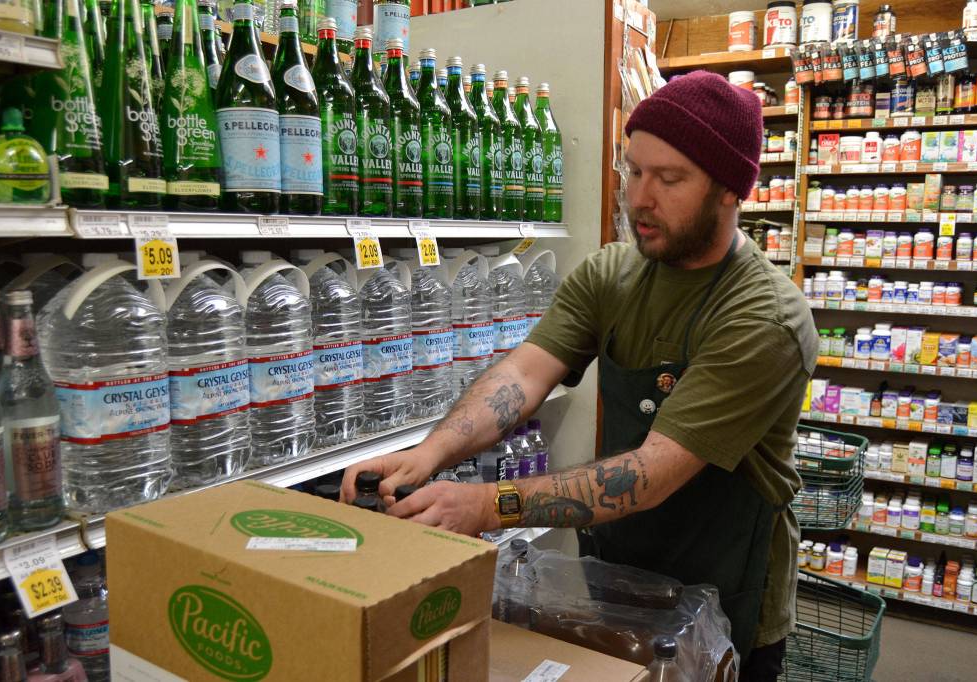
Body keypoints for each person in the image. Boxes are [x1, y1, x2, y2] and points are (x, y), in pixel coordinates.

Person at [342, 71, 818, 682]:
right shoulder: (612, 274)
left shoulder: (765, 317)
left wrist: (487, 505)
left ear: (730, 190)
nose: (639, 198)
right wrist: (428, 453)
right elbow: (523, 374)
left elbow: (649, 475)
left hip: (727, 593)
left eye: (669, 179)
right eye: (634, 170)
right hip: (620, 576)